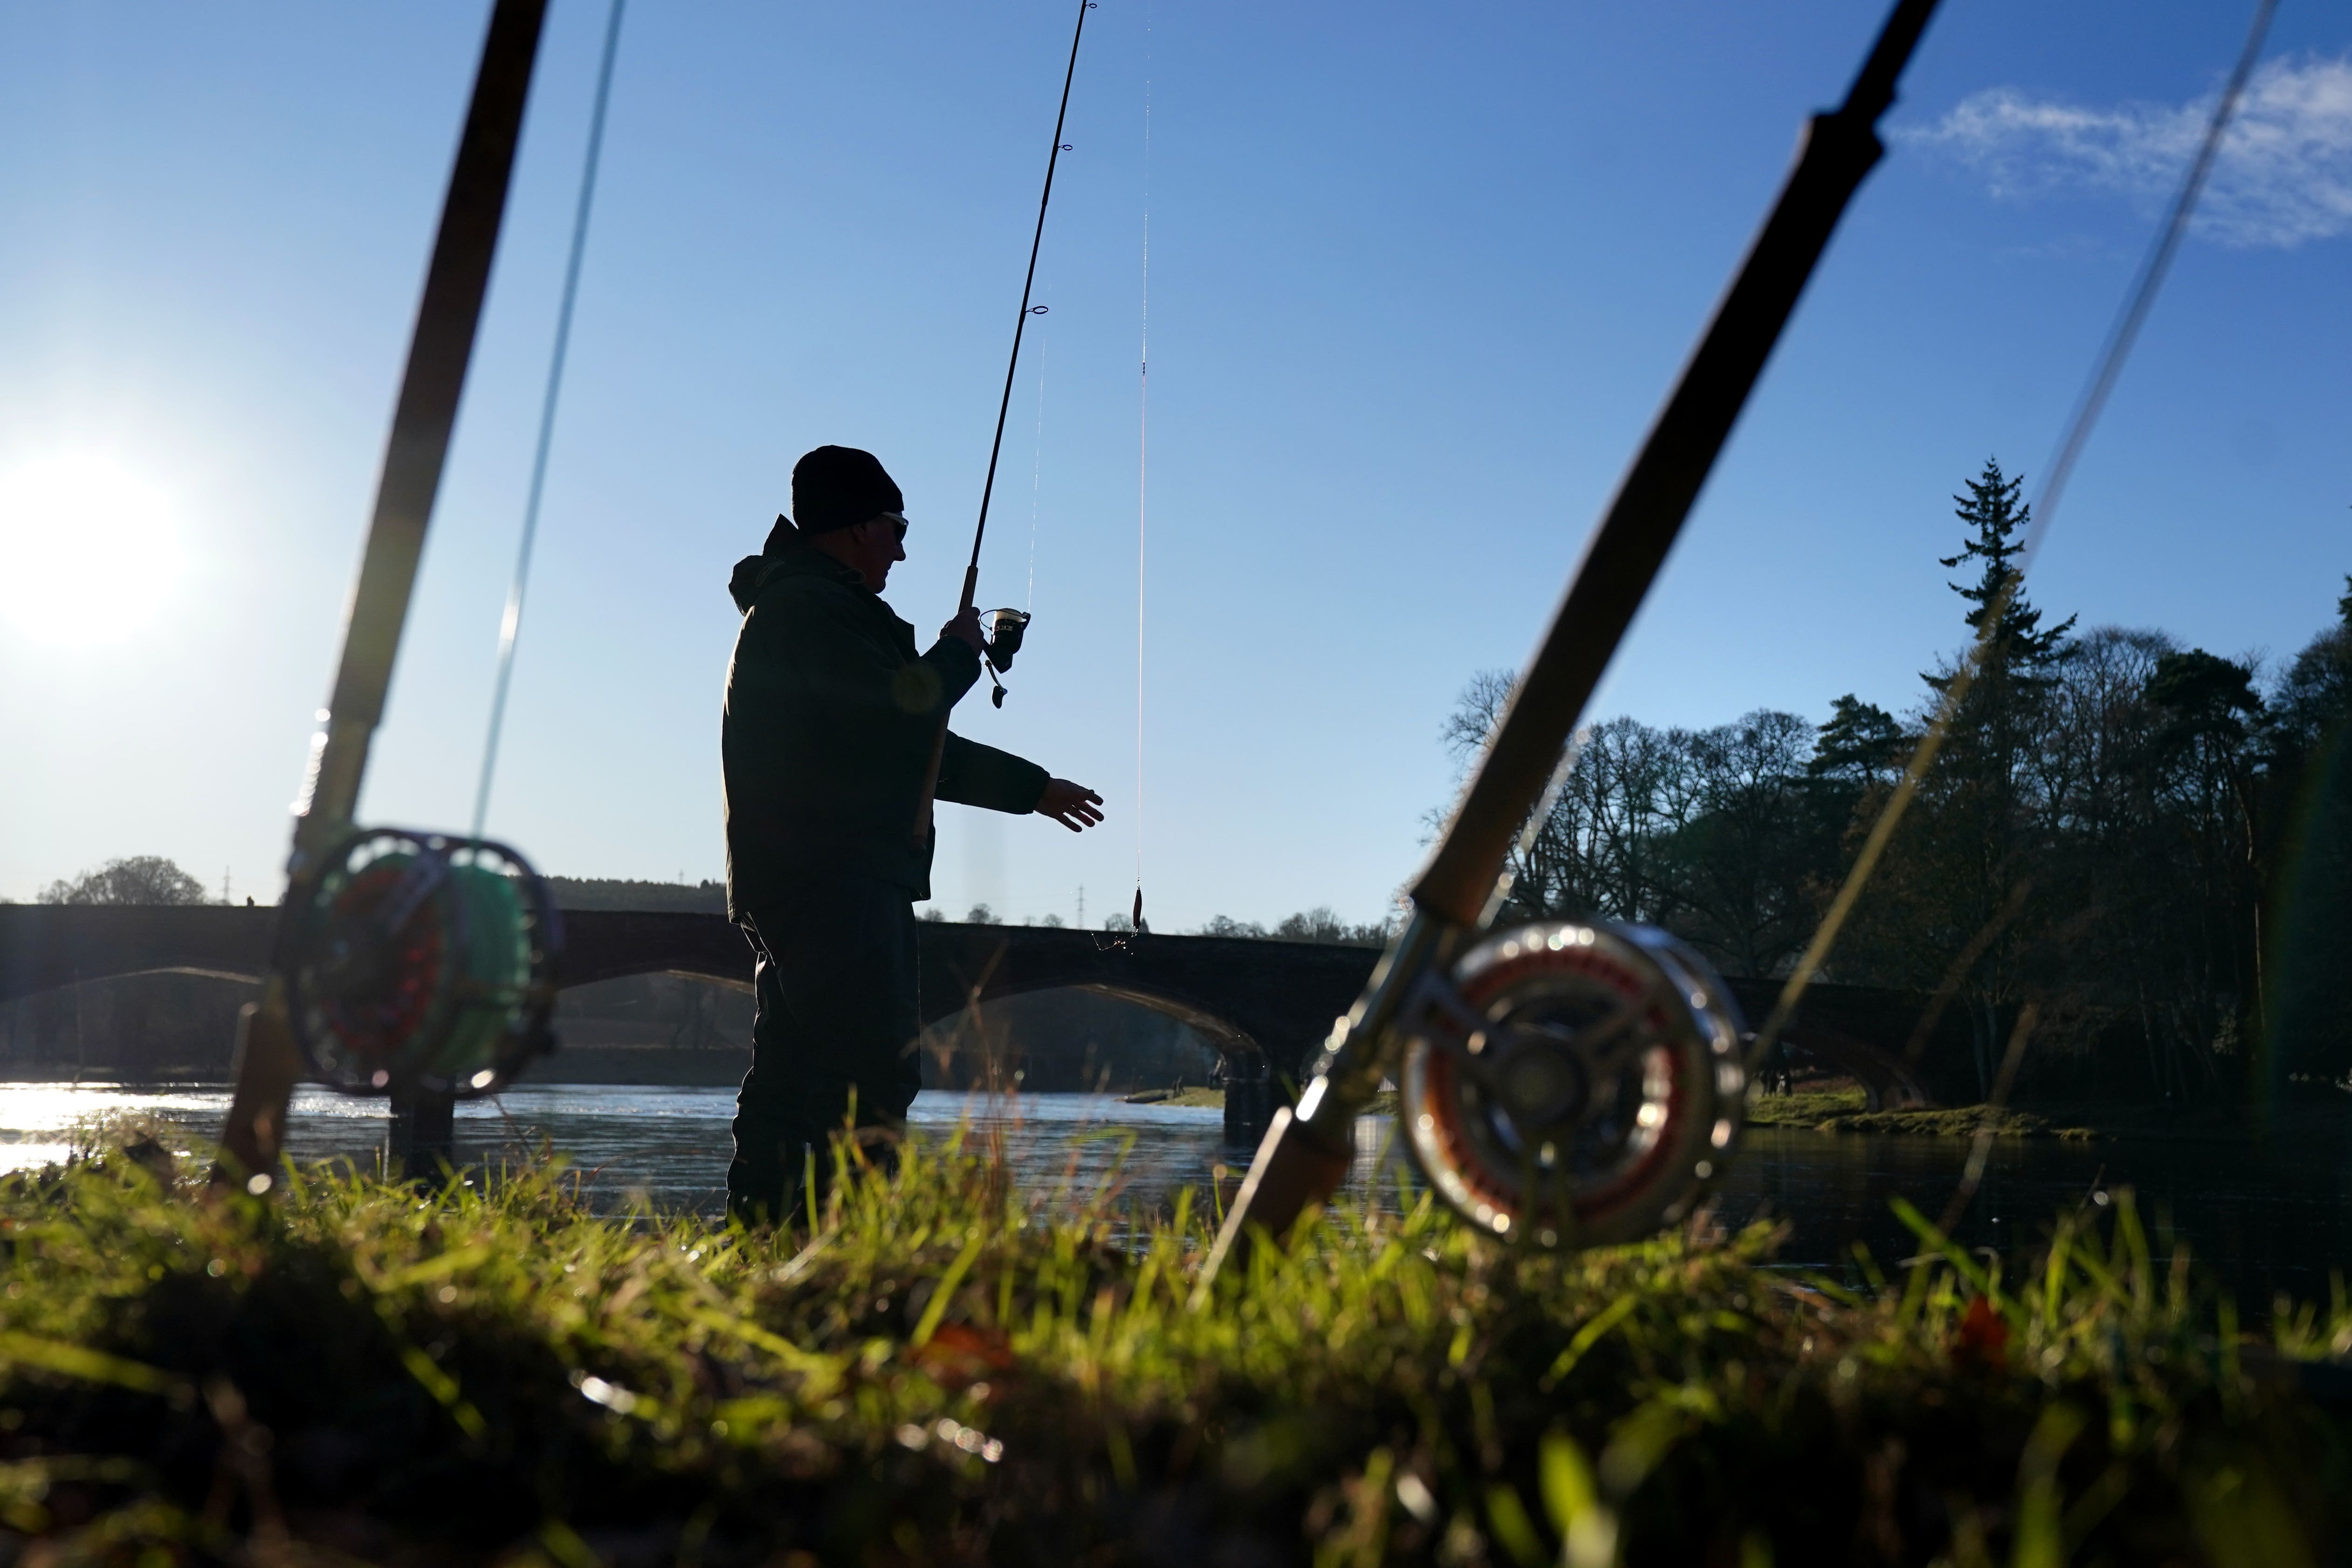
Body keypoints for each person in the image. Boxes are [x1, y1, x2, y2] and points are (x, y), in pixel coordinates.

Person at [721, 445, 1103, 1224]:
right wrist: (959, 654)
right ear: (858, 528)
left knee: (792, 1081)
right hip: (840, 879)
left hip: (801, 880)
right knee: (868, 1076)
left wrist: (1032, 790)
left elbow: (912, 743)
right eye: (895, 526)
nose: (902, 545)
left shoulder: (807, 609)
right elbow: (902, 717)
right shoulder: (812, 609)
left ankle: (764, 1246)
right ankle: (840, 1251)